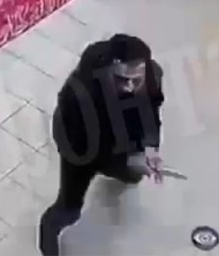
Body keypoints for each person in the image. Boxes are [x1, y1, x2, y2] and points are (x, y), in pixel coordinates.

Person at [38, 34, 165, 256]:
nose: (130, 87)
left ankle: (127, 170)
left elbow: (151, 114)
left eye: (137, 80)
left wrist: (150, 150)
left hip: (119, 141)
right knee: (68, 210)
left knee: (132, 176)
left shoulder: (151, 74)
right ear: (108, 71)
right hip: (79, 147)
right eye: (122, 80)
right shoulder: (80, 94)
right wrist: (130, 160)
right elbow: (88, 147)